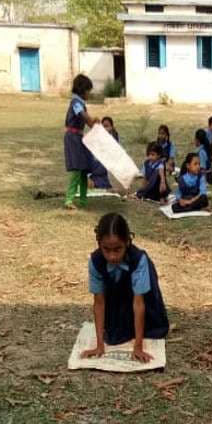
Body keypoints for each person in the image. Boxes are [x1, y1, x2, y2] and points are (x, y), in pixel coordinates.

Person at [81, 213, 169, 362]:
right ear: (99, 244)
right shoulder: (95, 261)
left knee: (154, 330)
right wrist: (99, 344)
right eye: (106, 250)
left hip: (141, 300)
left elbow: (139, 302)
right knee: (114, 337)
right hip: (117, 298)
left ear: (127, 242)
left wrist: (138, 346)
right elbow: (99, 302)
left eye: (117, 249)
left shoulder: (138, 259)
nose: (112, 256)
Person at [64, 74, 98, 211]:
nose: (89, 93)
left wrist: (94, 122)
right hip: (73, 138)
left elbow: (89, 121)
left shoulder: (80, 103)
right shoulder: (76, 103)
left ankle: (83, 200)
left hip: (79, 137)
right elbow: (84, 117)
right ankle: (69, 199)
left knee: (84, 169)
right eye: (88, 90)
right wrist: (92, 121)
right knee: (76, 169)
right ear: (82, 90)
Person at [88, 116, 119, 190]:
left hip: (103, 169)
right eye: (103, 126)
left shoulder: (113, 138)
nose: (105, 128)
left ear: (111, 127)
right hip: (94, 166)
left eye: (107, 126)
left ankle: (97, 183)